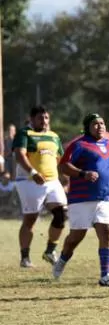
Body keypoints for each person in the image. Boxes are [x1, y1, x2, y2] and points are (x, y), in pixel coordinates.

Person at [53, 113, 109, 286]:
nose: (100, 126)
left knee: (107, 233)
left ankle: (106, 275)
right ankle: (62, 260)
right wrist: (83, 173)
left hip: (105, 198)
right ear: (87, 127)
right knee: (76, 237)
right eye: (95, 124)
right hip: (81, 199)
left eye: (102, 123)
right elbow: (64, 166)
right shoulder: (79, 144)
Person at [13, 105, 68, 268]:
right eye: (40, 118)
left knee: (61, 214)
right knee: (30, 220)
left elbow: (60, 159)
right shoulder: (25, 133)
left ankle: (50, 251)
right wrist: (32, 172)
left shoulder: (53, 136)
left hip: (52, 182)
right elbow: (19, 155)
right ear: (32, 119)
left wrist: (66, 177)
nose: (44, 121)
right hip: (29, 181)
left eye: (46, 118)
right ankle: (25, 257)